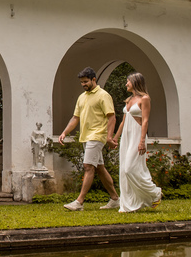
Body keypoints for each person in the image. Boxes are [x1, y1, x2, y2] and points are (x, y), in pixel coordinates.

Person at [57, 67, 120, 210]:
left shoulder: (103, 95)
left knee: (88, 166)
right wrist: (64, 132)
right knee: (100, 168)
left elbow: (111, 117)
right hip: (86, 136)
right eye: (81, 82)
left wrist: (109, 137)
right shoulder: (82, 97)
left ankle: (79, 202)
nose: (83, 84)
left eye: (86, 82)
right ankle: (115, 199)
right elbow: (75, 118)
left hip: (97, 135)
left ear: (94, 80)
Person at [111, 72, 162, 212]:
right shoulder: (128, 100)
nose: (126, 84)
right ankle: (129, 204)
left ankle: (155, 193)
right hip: (126, 138)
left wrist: (142, 141)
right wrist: (116, 137)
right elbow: (123, 122)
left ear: (135, 82)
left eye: (128, 81)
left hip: (137, 136)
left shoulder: (145, 99)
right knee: (124, 170)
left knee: (130, 169)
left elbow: (145, 120)